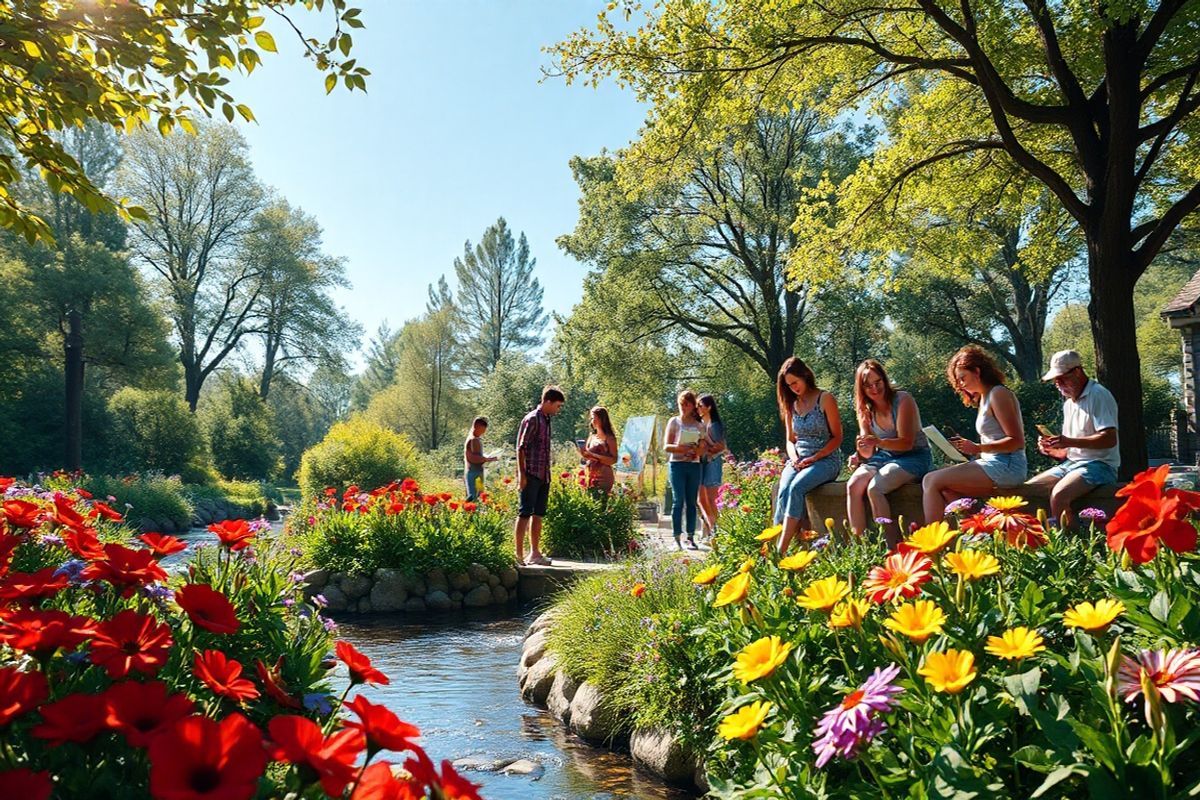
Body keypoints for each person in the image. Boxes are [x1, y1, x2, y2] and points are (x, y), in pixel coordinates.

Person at [922, 346, 1027, 523]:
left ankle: (933, 547)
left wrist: (978, 447)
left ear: (977, 371)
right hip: (992, 462)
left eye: (963, 378)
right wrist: (964, 456)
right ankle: (980, 531)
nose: (961, 384)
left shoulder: (998, 393)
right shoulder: (984, 397)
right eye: (958, 380)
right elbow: (993, 441)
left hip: (1008, 466)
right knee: (945, 488)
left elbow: (1016, 441)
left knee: (930, 481)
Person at [1026, 350, 1119, 528]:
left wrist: (1068, 441)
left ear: (1077, 372)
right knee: (1028, 490)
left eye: (1062, 378)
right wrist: (1052, 449)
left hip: (1100, 465)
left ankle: (1069, 546)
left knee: (1059, 495)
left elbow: (1109, 439)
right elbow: (1067, 452)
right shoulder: (1069, 404)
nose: (1058, 384)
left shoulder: (1098, 394)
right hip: (1070, 465)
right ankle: (1038, 539)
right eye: (1055, 381)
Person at [845, 360, 932, 547]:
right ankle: (859, 548)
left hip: (914, 455)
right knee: (853, 484)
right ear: (861, 388)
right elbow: (868, 452)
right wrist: (860, 452)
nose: (875, 389)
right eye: (868, 386)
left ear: (885, 380)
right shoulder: (865, 410)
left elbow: (906, 443)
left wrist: (877, 442)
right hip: (885, 456)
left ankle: (891, 547)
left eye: (878, 382)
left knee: (875, 488)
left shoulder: (903, 400)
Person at [774, 357, 843, 552]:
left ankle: (781, 548)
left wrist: (816, 457)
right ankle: (774, 538)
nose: (793, 388)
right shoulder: (790, 404)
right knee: (784, 487)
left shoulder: (825, 398)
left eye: (795, 382)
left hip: (826, 459)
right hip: (799, 460)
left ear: (805, 375)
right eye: (788, 385)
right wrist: (795, 458)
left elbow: (837, 437)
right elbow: (790, 440)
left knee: (796, 487)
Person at [515, 386, 566, 566]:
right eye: (557, 406)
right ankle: (518, 555)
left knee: (539, 514)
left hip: (543, 474)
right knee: (524, 513)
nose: (558, 410)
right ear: (548, 402)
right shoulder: (533, 419)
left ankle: (535, 553)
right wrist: (522, 475)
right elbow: (521, 448)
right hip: (530, 474)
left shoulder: (546, 419)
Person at [664, 390, 705, 550]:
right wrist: (681, 448)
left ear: (692, 405)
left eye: (686, 404)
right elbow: (667, 446)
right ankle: (676, 537)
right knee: (678, 500)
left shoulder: (699, 425)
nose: (683, 407)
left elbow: (703, 449)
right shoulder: (674, 422)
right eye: (681, 404)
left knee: (691, 502)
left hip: (693, 465)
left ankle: (690, 536)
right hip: (677, 465)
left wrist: (695, 450)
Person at [697, 394, 727, 542]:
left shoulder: (714, 425)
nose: (698, 408)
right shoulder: (701, 423)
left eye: (700, 405)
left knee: (712, 498)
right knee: (701, 498)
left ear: (709, 407)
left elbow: (721, 446)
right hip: (702, 463)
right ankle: (710, 528)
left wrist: (706, 449)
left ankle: (717, 531)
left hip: (712, 463)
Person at [580, 406, 618, 494]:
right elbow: (587, 456)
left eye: (593, 418)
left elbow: (614, 460)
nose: (591, 421)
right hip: (590, 475)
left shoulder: (610, 438)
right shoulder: (592, 436)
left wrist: (594, 456)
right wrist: (584, 454)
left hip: (604, 476)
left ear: (601, 419)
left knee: (601, 502)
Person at [463, 417, 497, 501]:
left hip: (478, 472)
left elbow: (477, 455)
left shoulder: (476, 439)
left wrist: (486, 458)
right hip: (474, 473)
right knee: (473, 497)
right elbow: (472, 458)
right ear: (476, 426)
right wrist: (487, 459)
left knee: (480, 495)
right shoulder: (473, 440)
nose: (483, 432)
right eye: (482, 429)